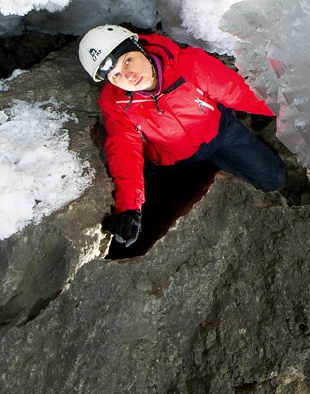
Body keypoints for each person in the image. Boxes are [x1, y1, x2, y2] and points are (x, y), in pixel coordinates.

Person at [79, 24, 287, 247]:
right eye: (116, 74)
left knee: (275, 179)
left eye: (127, 60)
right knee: (138, 226)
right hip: (167, 159)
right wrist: (129, 208)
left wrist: (286, 110)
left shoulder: (188, 64)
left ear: (138, 46)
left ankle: (214, 168)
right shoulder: (116, 103)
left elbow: (239, 93)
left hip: (219, 135)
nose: (129, 76)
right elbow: (124, 152)